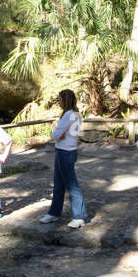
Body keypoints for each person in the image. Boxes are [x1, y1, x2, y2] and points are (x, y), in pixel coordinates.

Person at [49, 88, 87, 228]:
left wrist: (58, 135)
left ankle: (79, 216)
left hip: (64, 151)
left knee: (71, 185)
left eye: (60, 100)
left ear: (66, 100)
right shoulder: (77, 114)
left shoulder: (67, 115)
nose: (58, 102)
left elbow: (55, 135)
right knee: (59, 184)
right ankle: (54, 213)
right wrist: (61, 135)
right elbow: (74, 134)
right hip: (68, 150)